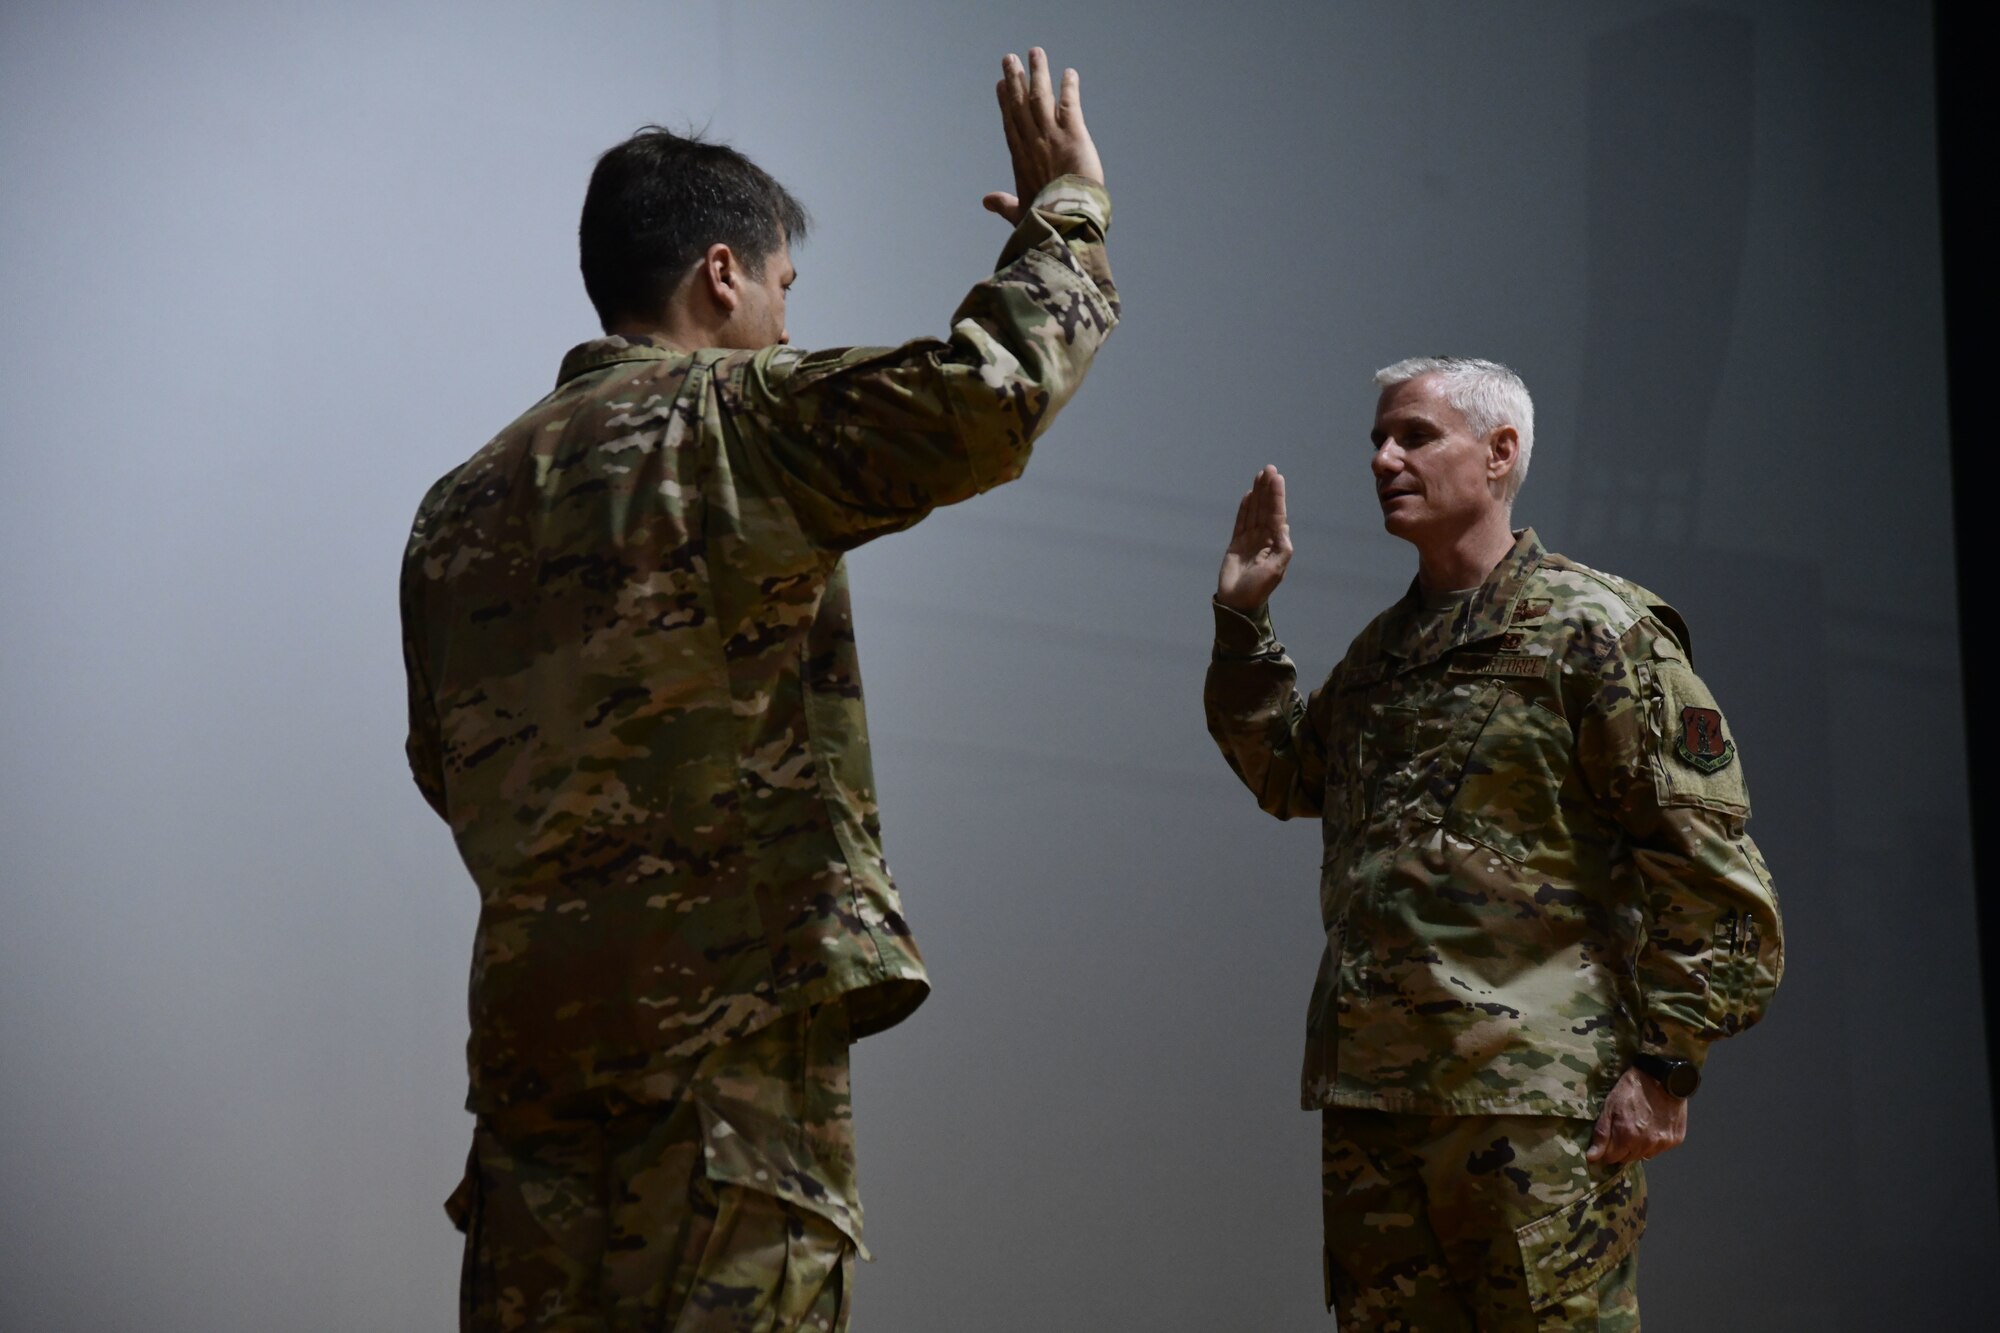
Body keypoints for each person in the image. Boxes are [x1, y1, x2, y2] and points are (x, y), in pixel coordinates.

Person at [400, 48, 1114, 1331]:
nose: (788, 317)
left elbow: (442, 770)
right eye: (784, 285)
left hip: (535, 1086)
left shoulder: (453, 511)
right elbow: (985, 398)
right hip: (722, 1079)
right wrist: (1066, 216)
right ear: (719, 275)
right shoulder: (730, 418)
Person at [1203, 357, 1782, 1330]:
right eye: (1377, 440)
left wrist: (1665, 1064)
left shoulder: (1595, 630)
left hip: (1535, 1105)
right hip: (1378, 1106)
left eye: (1415, 435)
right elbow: (1287, 775)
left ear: (1499, 451)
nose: (1384, 458)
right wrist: (1242, 619)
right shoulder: (1382, 655)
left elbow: (1709, 871)